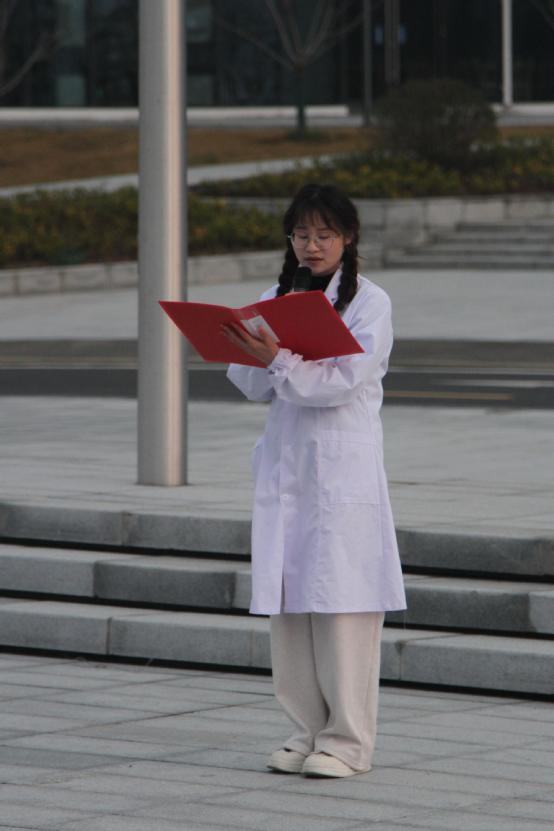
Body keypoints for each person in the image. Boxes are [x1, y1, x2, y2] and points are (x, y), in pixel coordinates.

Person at [223, 183, 406, 779]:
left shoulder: (369, 302)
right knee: (291, 606)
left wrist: (278, 359)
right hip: (288, 471)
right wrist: (248, 350)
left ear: (348, 237)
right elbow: (253, 386)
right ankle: (305, 732)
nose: (312, 244)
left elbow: (343, 382)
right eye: (301, 234)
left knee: (343, 608)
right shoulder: (275, 297)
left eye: (324, 233)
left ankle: (347, 742)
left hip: (341, 472)